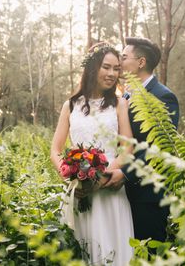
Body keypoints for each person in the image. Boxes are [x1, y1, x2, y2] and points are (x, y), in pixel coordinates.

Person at [50, 42, 134, 265]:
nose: (112, 73)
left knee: (112, 251)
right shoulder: (70, 105)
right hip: (79, 192)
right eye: (106, 67)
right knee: (82, 250)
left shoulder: (119, 103)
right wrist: (68, 175)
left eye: (117, 68)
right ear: (92, 68)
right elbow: (56, 149)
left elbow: (128, 147)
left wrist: (102, 175)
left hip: (110, 190)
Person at [103, 37, 179, 243]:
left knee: (150, 255)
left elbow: (160, 148)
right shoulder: (124, 98)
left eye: (124, 57)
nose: (120, 62)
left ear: (141, 62)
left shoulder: (163, 97)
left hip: (148, 197)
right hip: (119, 197)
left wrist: (125, 174)